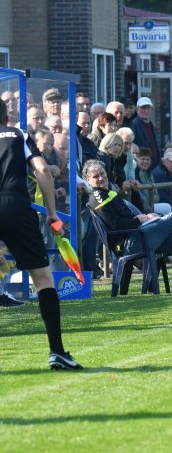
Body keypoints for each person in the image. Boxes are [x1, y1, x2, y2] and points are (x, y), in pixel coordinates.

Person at [0, 98, 81, 368]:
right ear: (5, 117)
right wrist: (52, 213)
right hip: (15, 206)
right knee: (43, 279)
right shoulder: (17, 134)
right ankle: (57, 351)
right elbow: (43, 170)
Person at [84, 159, 172, 293]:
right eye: (96, 176)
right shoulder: (97, 196)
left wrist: (147, 216)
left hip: (140, 236)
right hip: (130, 243)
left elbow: (127, 217)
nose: (101, 178)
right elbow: (115, 225)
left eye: (102, 173)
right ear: (87, 180)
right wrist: (140, 220)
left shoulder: (109, 192)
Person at [130, 96, 162, 170]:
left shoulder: (150, 124)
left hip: (153, 167)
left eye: (148, 108)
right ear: (137, 109)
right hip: (142, 167)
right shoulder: (134, 124)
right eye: (143, 108)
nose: (146, 111)